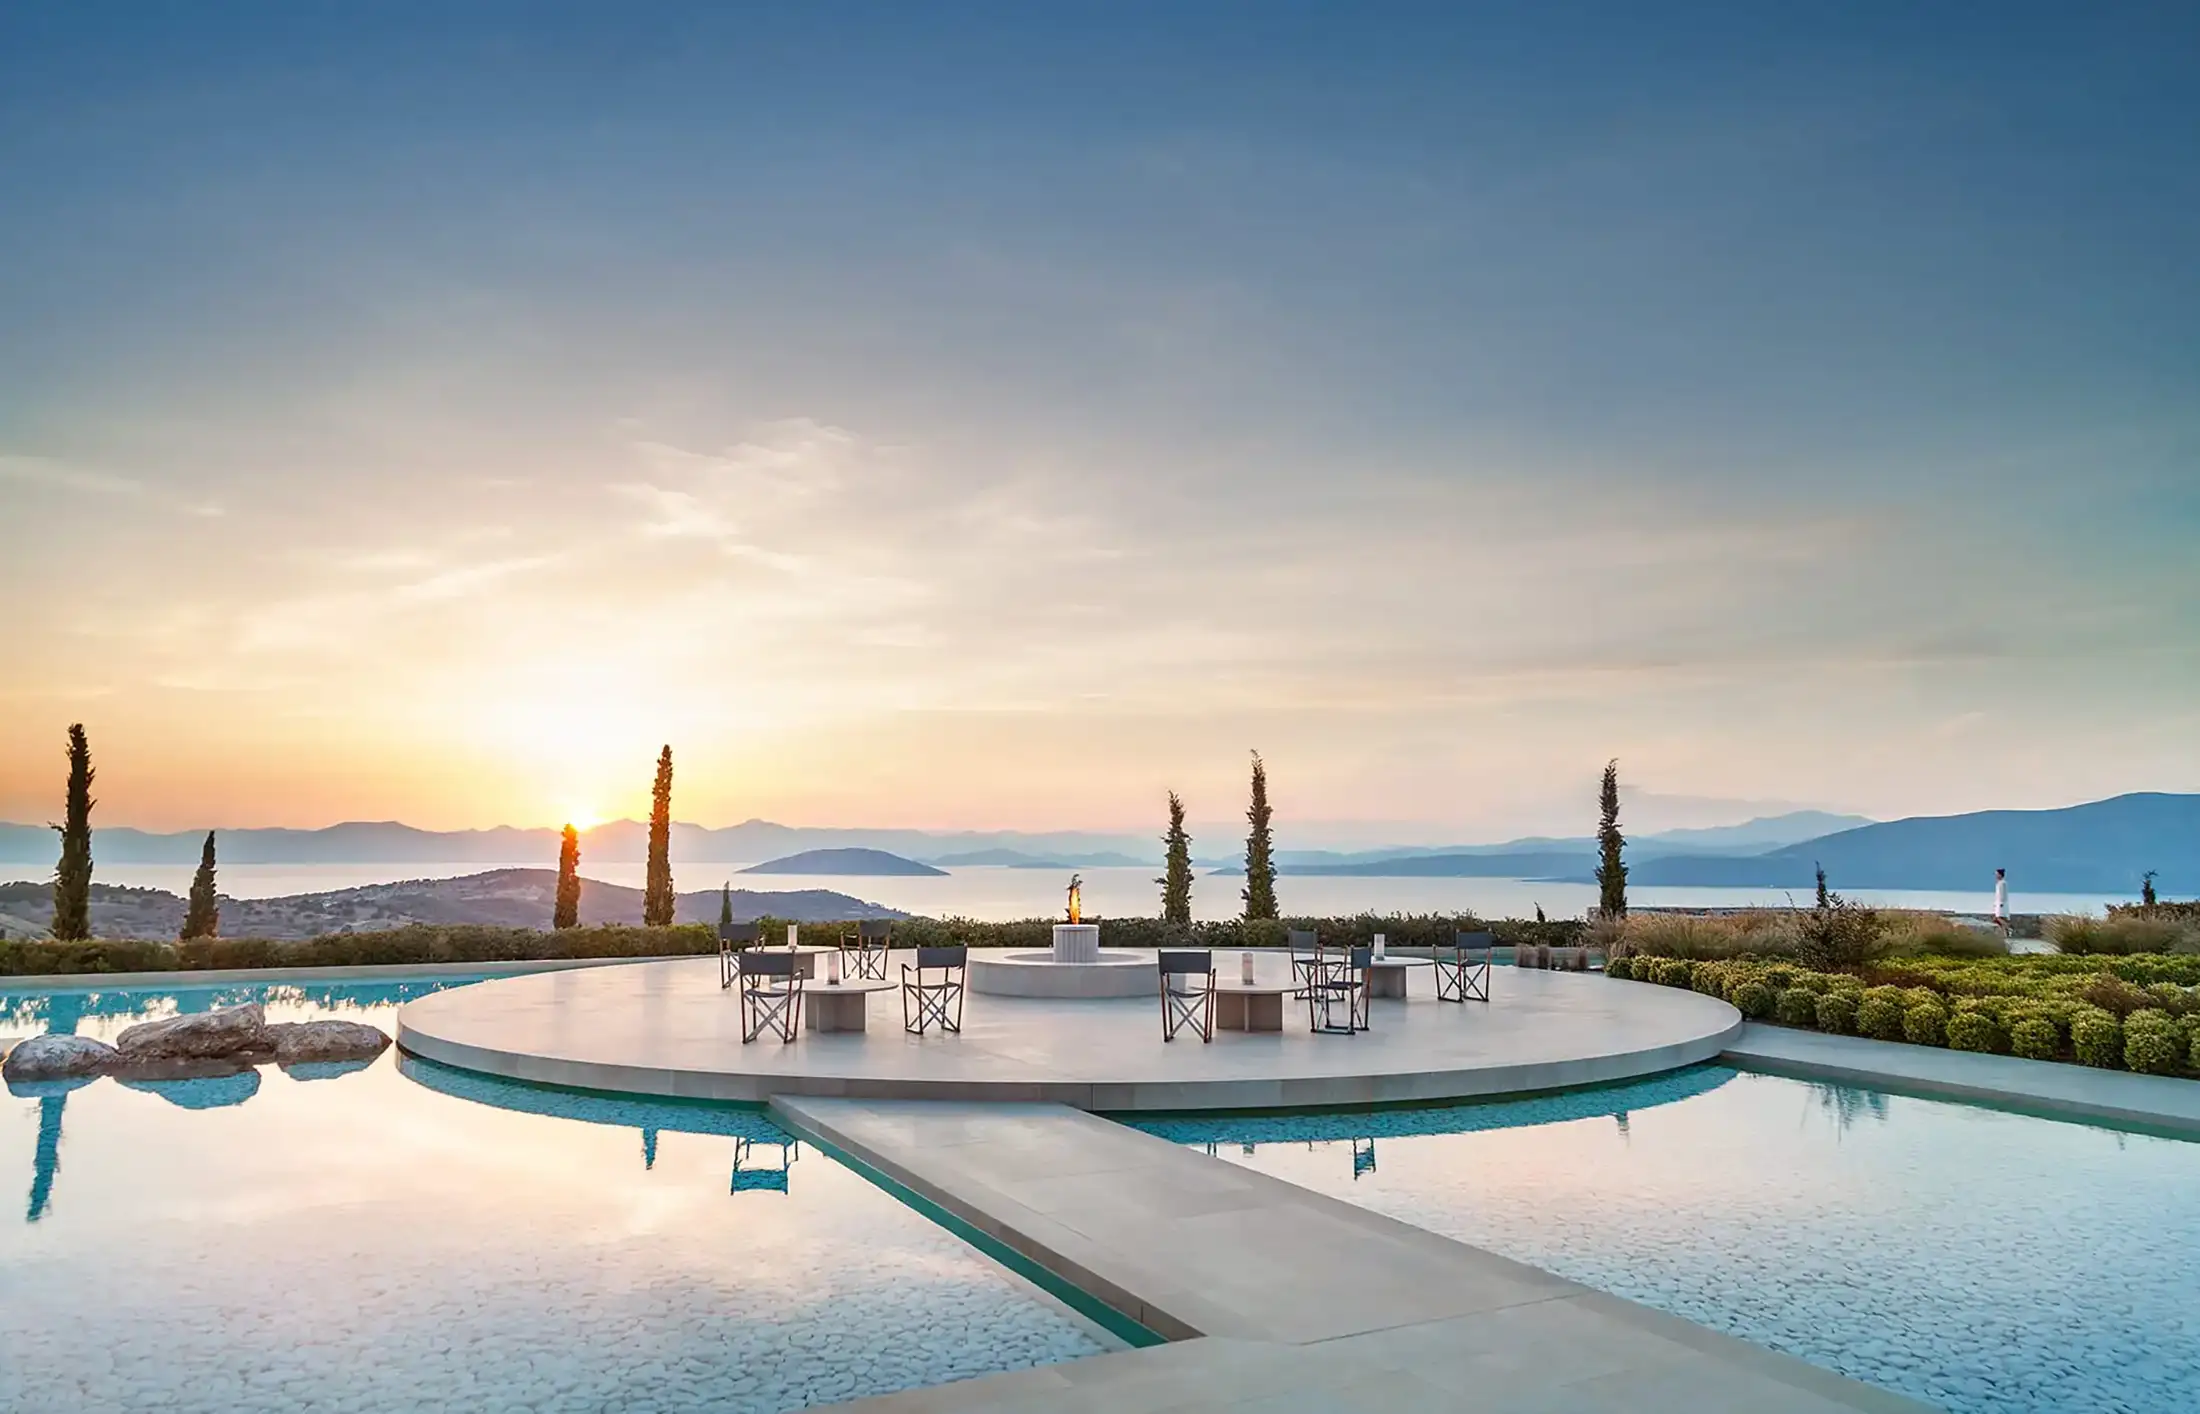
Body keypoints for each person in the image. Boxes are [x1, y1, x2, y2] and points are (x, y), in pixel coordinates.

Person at [1993, 867, 2009, 943]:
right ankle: (2004, 933)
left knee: (1999, 918)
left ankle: (2008, 928)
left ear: (2000, 875)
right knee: (1998, 919)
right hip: (1999, 903)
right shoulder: (1999, 883)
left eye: (1997, 874)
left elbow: (2002, 894)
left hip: (2001, 904)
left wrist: (2001, 903)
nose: (1996, 875)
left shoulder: (2003, 883)